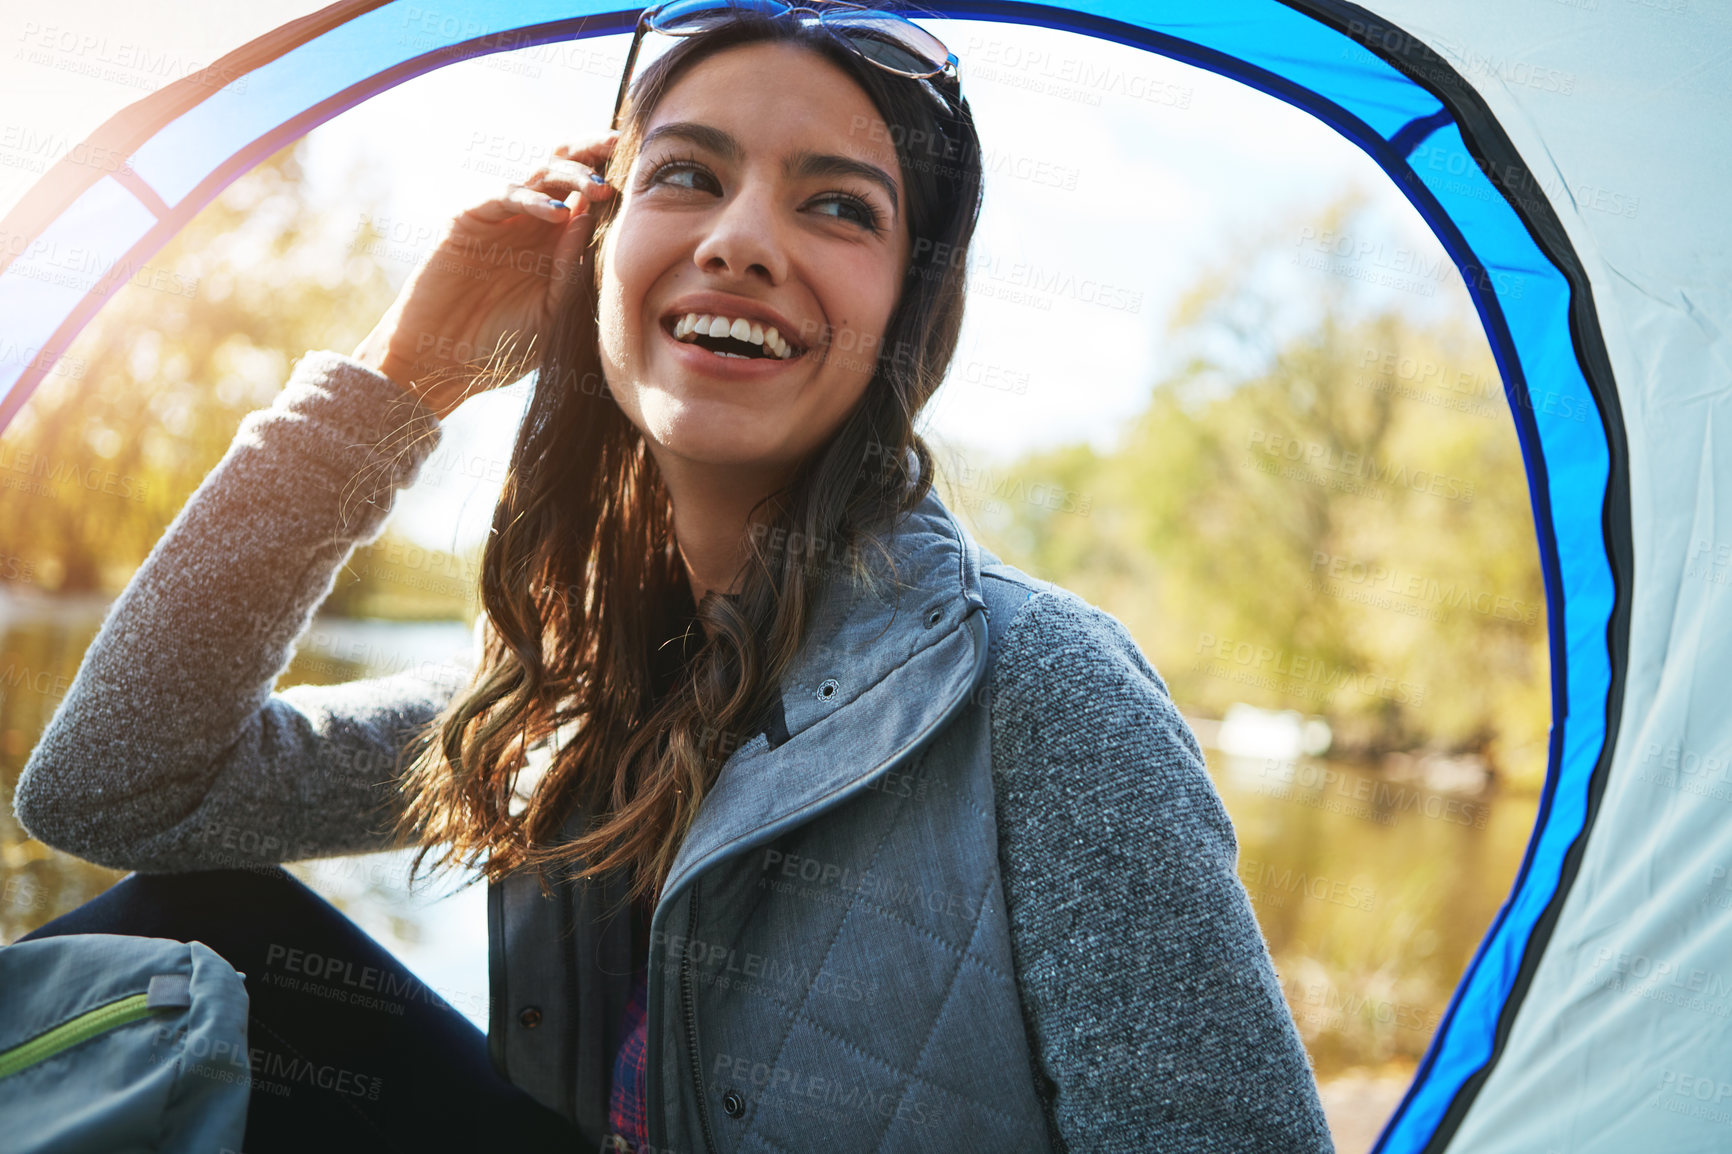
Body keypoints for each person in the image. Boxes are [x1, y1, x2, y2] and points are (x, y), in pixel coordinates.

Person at [11, 2, 1334, 1151]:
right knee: (192, 931)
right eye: (687, 176)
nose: (744, 240)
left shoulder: (1049, 696)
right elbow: (117, 789)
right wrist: (401, 379)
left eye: (836, 205)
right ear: (593, 256)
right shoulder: (566, 690)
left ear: (906, 316)